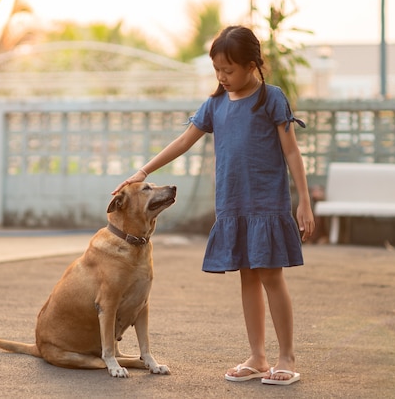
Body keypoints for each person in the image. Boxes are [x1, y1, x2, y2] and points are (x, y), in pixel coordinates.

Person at [112, 25, 314, 386]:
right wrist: (142, 171)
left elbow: (292, 151)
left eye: (229, 70)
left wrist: (305, 202)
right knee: (247, 276)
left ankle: (286, 356)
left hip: (267, 205)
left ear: (252, 64)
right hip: (233, 206)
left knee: (270, 275)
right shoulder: (215, 104)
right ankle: (258, 357)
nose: (222, 77)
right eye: (217, 70)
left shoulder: (272, 99)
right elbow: (184, 141)